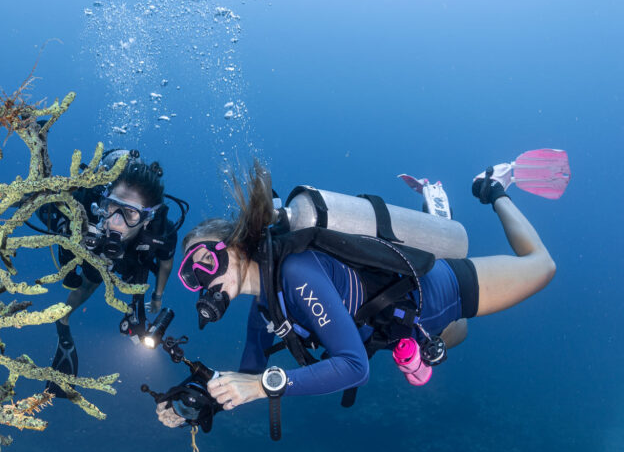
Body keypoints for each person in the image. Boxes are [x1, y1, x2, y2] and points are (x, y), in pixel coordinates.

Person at [159, 158, 561, 430]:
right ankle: (438, 218)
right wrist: (198, 402)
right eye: (191, 277)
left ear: (234, 245)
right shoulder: (264, 309)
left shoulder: (297, 273)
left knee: (542, 266)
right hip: (399, 328)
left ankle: (494, 188)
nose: (202, 280)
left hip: (437, 290)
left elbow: (353, 367)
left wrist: (264, 386)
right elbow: (246, 377)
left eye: (205, 261)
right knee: (456, 336)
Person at [39, 148, 184, 396]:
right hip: (97, 254)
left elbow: (166, 264)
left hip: (134, 257)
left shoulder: (161, 232)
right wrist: (69, 227)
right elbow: (44, 208)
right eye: (111, 207)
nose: (115, 221)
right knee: (90, 281)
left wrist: (157, 296)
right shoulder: (87, 207)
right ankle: (62, 322)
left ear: (147, 218)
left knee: (135, 281)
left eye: (129, 213)